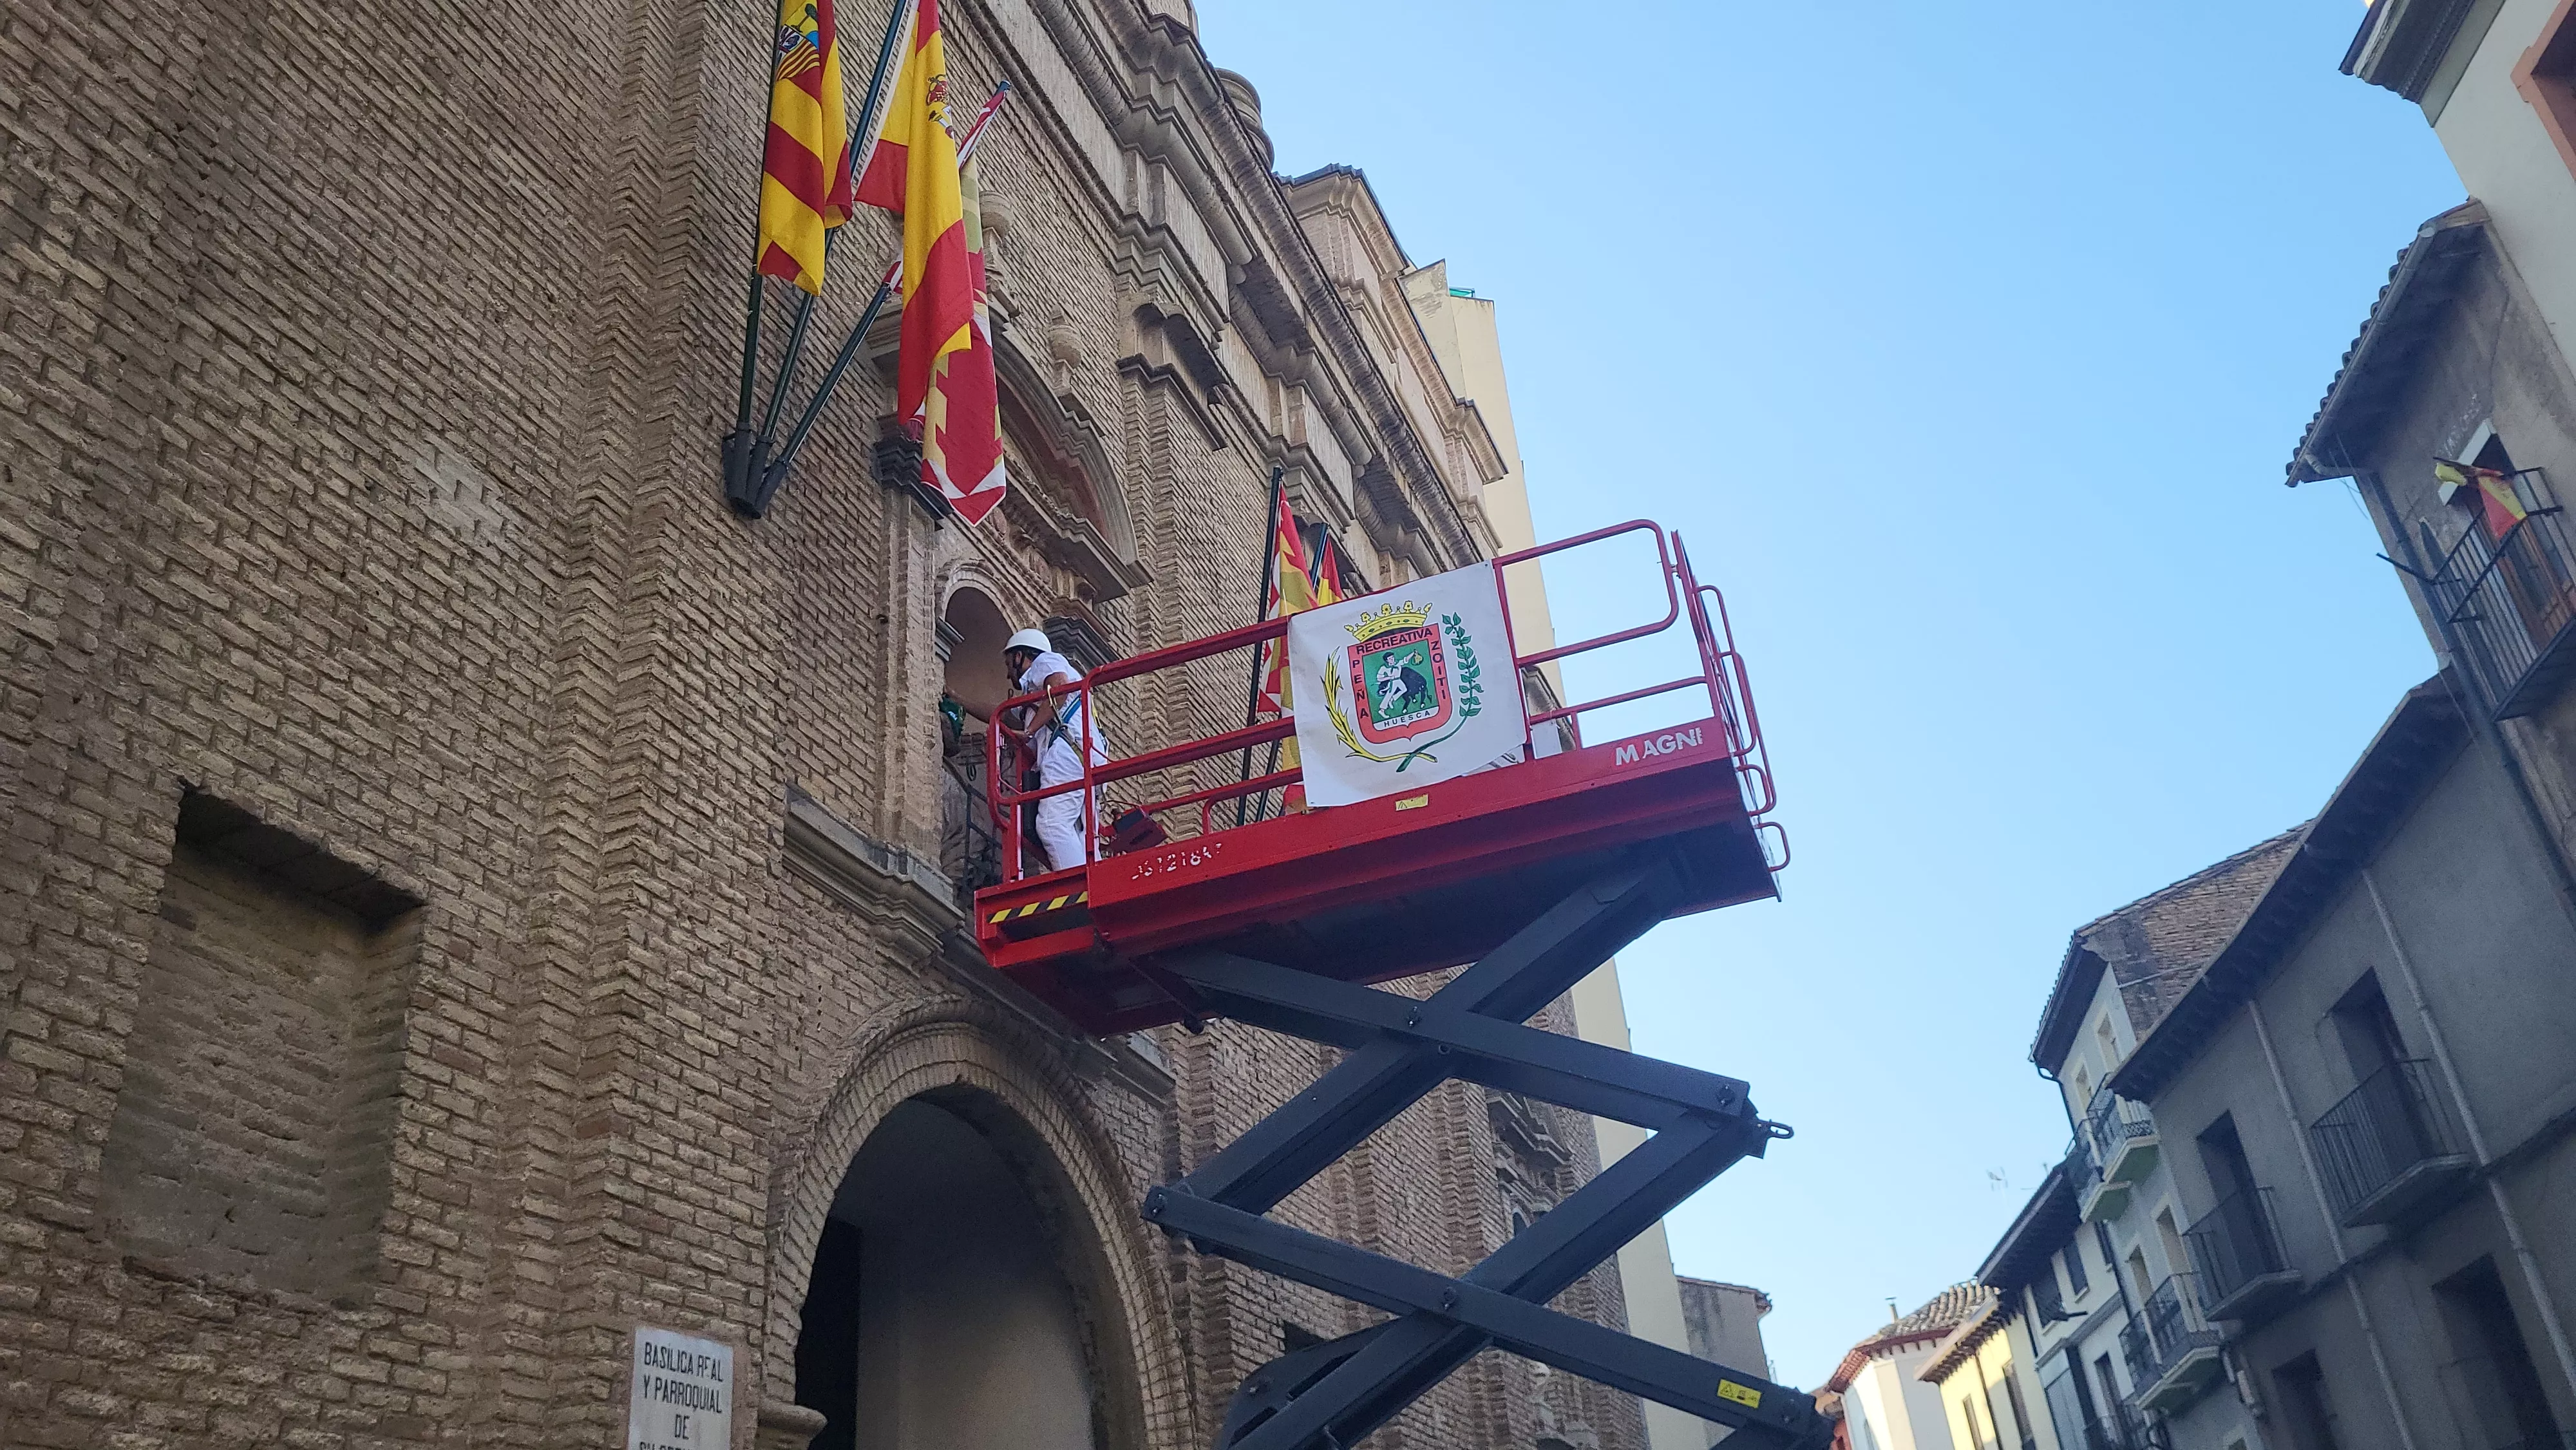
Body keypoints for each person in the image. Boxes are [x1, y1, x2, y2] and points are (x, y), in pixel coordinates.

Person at [1003, 628, 1108, 874]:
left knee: (1052, 824)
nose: (1009, 674)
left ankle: (1079, 892)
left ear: (1020, 656)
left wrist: (1029, 732)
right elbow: (1004, 717)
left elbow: (1058, 685)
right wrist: (958, 698)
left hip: (1067, 754)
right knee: (1082, 834)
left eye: (1009, 663)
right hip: (1088, 755)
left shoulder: (1045, 662)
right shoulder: (1035, 699)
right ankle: (1094, 881)